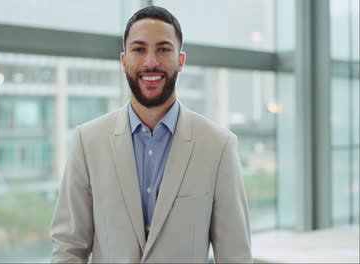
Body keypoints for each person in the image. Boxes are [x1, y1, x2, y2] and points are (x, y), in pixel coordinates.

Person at [50, 6, 252, 263]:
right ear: (124, 61)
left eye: (164, 49)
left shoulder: (219, 146)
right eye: (139, 49)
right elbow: (69, 246)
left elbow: (235, 255)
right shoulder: (88, 141)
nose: (151, 62)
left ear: (180, 60)